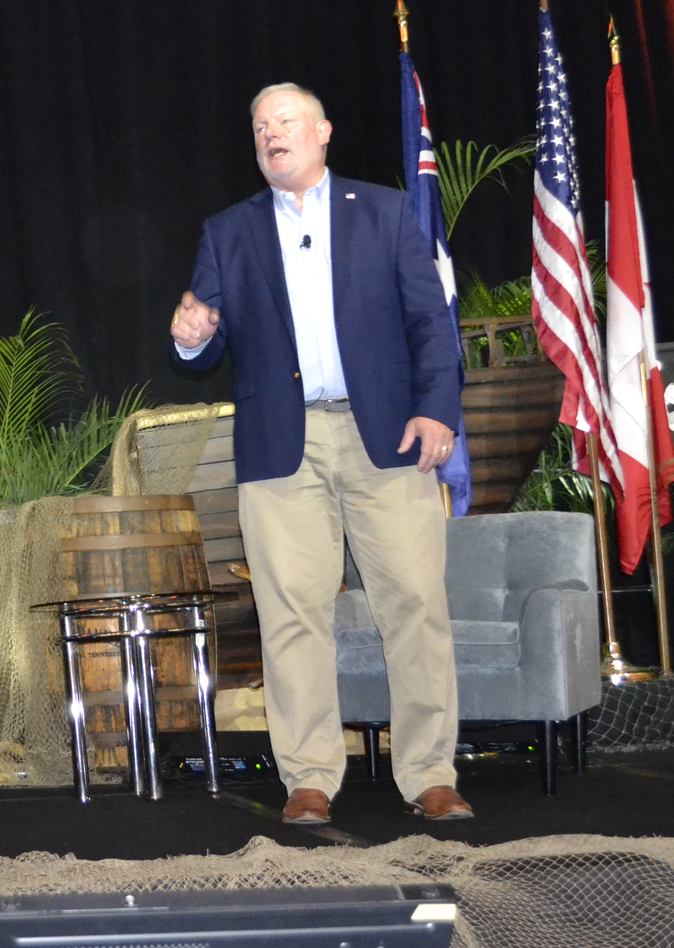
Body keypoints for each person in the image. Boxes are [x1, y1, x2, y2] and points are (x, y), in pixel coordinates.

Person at [170, 82, 472, 826]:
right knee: (292, 615)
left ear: (323, 131)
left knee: (415, 604)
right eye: (260, 126)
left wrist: (437, 412)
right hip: (281, 446)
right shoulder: (228, 232)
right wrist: (189, 334)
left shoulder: (384, 212)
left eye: (285, 121)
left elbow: (432, 324)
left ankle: (430, 773)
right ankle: (308, 777)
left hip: (387, 437)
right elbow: (201, 342)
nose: (272, 134)